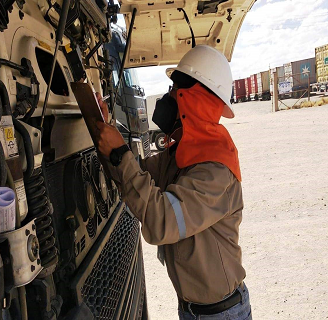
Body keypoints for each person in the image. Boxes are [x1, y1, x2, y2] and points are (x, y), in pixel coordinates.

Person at [95, 45, 251, 320]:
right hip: (192, 310)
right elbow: (135, 177)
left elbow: (161, 219)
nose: (168, 97)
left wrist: (119, 153)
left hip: (221, 314)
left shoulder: (216, 170)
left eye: (174, 89)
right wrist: (107, 131)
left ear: (192, 99)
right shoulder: (181, 154)